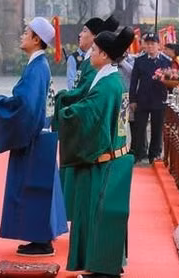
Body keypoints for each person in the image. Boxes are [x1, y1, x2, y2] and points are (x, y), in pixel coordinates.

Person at [0, 17, 68, 257]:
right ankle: (40, 237)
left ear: (36, 39)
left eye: (26, 32)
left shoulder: (37, 67)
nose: (22, 35)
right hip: (40, 134)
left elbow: (26, 105)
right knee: (37, 189)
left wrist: (1, 103)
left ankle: (42, 241)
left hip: (34, 137)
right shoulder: (39, 65)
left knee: (33, 189)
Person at [58, 27, 136, 278]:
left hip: (105, 161)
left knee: (99, 215)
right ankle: (102, 265)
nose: (90, 52)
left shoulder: (108, 84)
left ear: (103, 54)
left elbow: (90, 114)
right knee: (101, 216)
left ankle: (104, 270)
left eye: (94, 49)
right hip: (114, 155)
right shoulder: (109, 78)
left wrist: (64, 114)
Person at [53, 14, 119, 215]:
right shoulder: (91, 63)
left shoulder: (100, 72)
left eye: (84, 31)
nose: (80, 34)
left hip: (87, 133)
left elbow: (87, 98)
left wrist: (63, 103)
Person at [129, 32, 171, 165]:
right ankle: (139, 153)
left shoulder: (166, 61)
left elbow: (171, 82)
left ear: (159, 45)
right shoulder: (139, 60)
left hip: (159, 99)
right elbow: (134, 81)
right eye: (147, 44)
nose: (150, 46)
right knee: (139, 128)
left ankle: (155, 154)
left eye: (153, 44)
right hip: (142, 99)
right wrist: (132, 100)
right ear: (144, 46)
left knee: (157, 128)